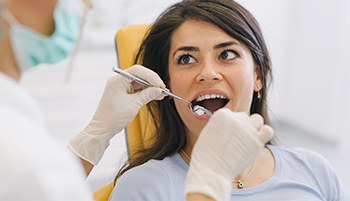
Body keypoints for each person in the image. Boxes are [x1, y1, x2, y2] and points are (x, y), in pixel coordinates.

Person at [81, 0, 347, 200]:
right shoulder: (142, 188)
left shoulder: (315, 170)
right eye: (186, 59)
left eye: (227, 54)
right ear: (167, 84)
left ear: (257, 77)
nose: (208, 73)